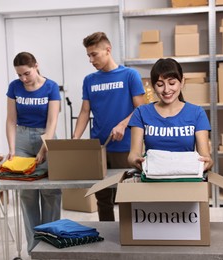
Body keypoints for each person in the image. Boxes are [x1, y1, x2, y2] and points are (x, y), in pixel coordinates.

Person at [73, 32, 145, 221]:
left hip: (125, 147)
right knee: (102, 197)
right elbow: (84, 112)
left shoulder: (130, 75)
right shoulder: (89, 80)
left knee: (127, 197)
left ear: (108, 49)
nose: (91, 60)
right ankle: (107, 239)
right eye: (88, 55)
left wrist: (123, 124)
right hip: (99, 148)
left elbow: (142, 109)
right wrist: (74, 141)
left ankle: (129, 237)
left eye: (94, 54)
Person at [5, 52, 62, 254]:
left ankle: (51, 245)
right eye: (19, 75)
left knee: (50, 192)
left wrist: (44, 148)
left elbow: (52, 122)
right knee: (27, 194)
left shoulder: (51, 87)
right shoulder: (14, 87)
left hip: (45, 137)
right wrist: (12, 149)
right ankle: (34, 249)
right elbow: (11, 120)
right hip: (21, 139)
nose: (23, 79)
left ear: (36, 66)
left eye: (27, 73)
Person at [128, 58, 213, 172]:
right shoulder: (141, 113)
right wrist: (136, 161)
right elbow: (133, 154)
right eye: (160, 84)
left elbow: (205, 156)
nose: (166, 90)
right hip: (153, 178)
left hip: (185, 178)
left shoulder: (197, 113)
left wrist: (207, 163)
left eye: (172, 83)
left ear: (182, 82)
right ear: (153, 86)